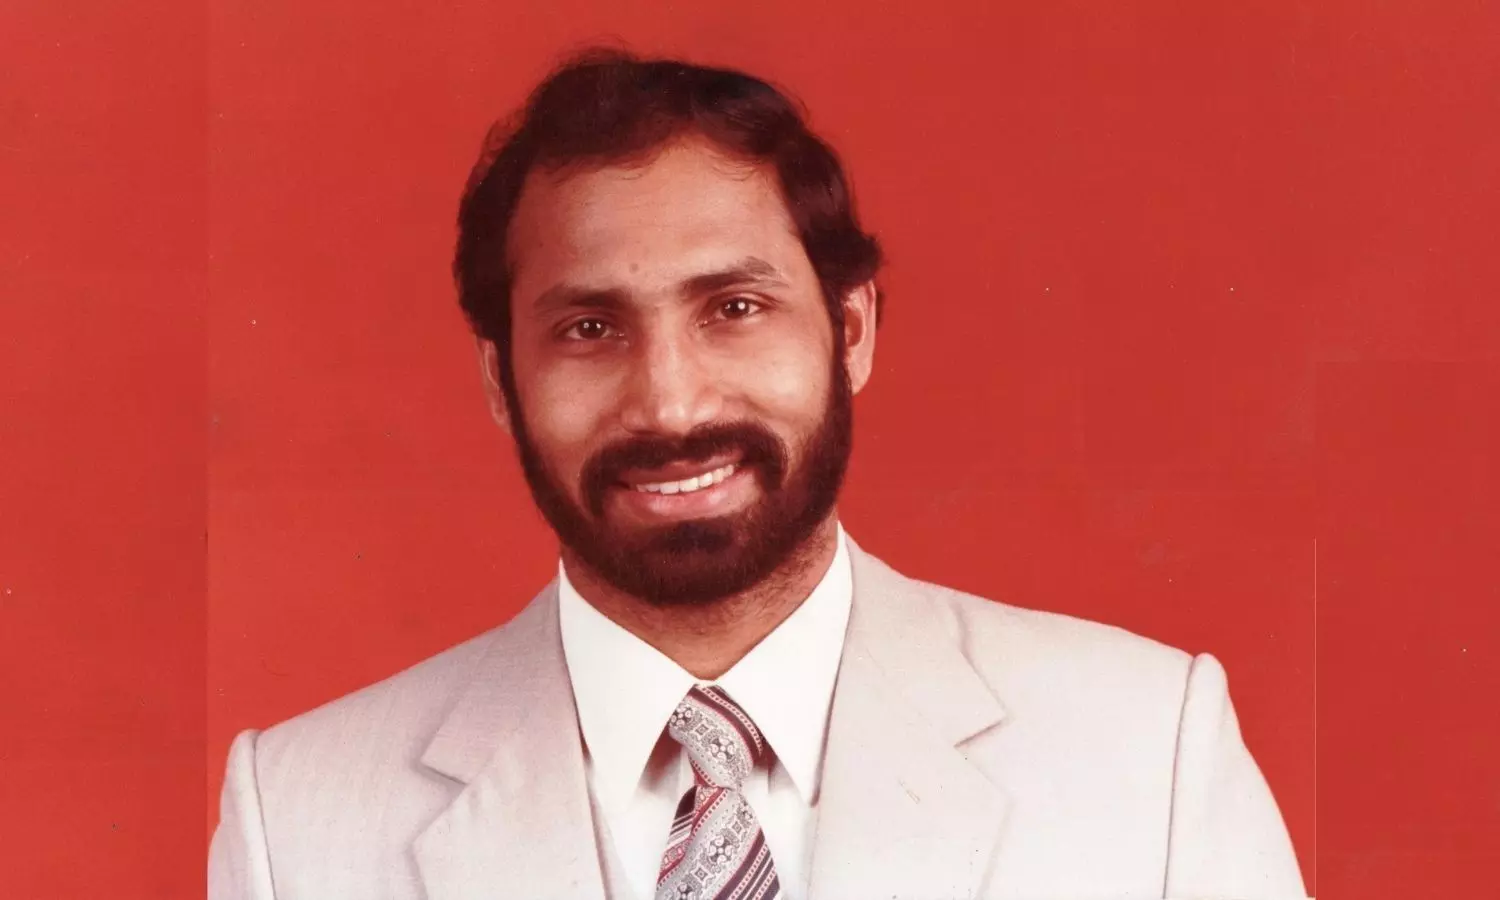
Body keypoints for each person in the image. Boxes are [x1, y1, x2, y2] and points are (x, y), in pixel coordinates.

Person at [208, 50, 1307, 900]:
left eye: (734, 309)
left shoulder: (1148, 748)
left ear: (851, 330)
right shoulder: (297, 819)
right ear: (501, 379)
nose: (671, 406)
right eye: (589, 328)